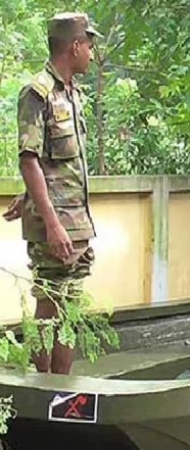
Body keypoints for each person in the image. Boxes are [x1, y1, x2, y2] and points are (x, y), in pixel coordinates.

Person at [13, 13, 102, 375]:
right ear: (75, 46)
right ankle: (43, 391)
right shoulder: (38, 93)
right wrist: (50, 222)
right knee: (49, 311)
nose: (93, 55)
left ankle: (62, 391)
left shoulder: (73, 93)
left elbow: (52, 163)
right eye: (90, 47)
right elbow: (28, 158)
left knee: (71, 311)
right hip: (57, 226)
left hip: (77, 222)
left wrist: (27, 196)